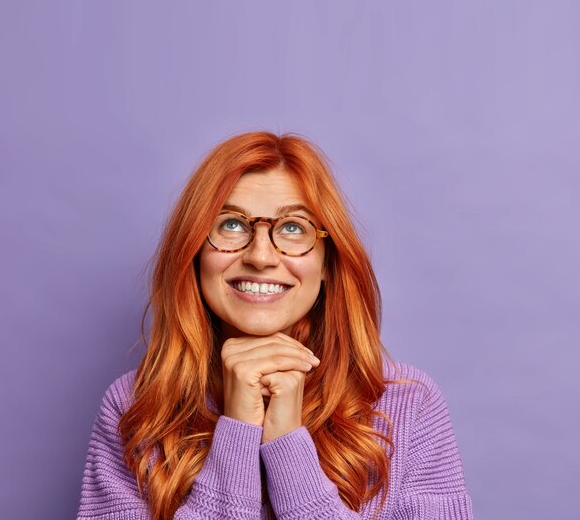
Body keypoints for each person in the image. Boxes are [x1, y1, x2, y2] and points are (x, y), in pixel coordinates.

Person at [76, 131, 473, 520]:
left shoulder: (408, 404)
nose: (261, 256)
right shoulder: (134, 407)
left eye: (293, 228)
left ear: (328, 262)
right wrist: (237, 431)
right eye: (231, 224)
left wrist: (287, 448)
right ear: (194, 253)